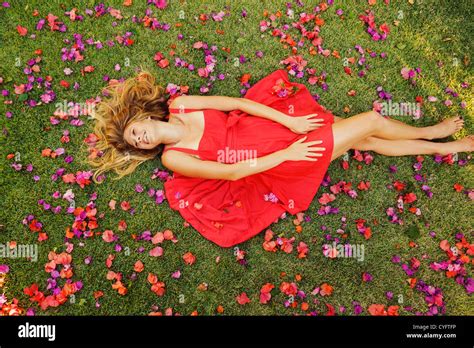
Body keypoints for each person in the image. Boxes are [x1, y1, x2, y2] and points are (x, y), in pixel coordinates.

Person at [88, 69, 472, 247]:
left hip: (272, 128)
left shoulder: (183, 105)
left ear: (143, 116)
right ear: (142, 148)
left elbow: (238, 103)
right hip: (277, 158)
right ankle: (436, 137)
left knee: (365, 140)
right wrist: (288, 153)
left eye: (136, 128)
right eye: (136, 141)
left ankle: (439, 143)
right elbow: (234, 172)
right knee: (370, 121)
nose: (140, 136)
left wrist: (286, 118)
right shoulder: (174, 158)